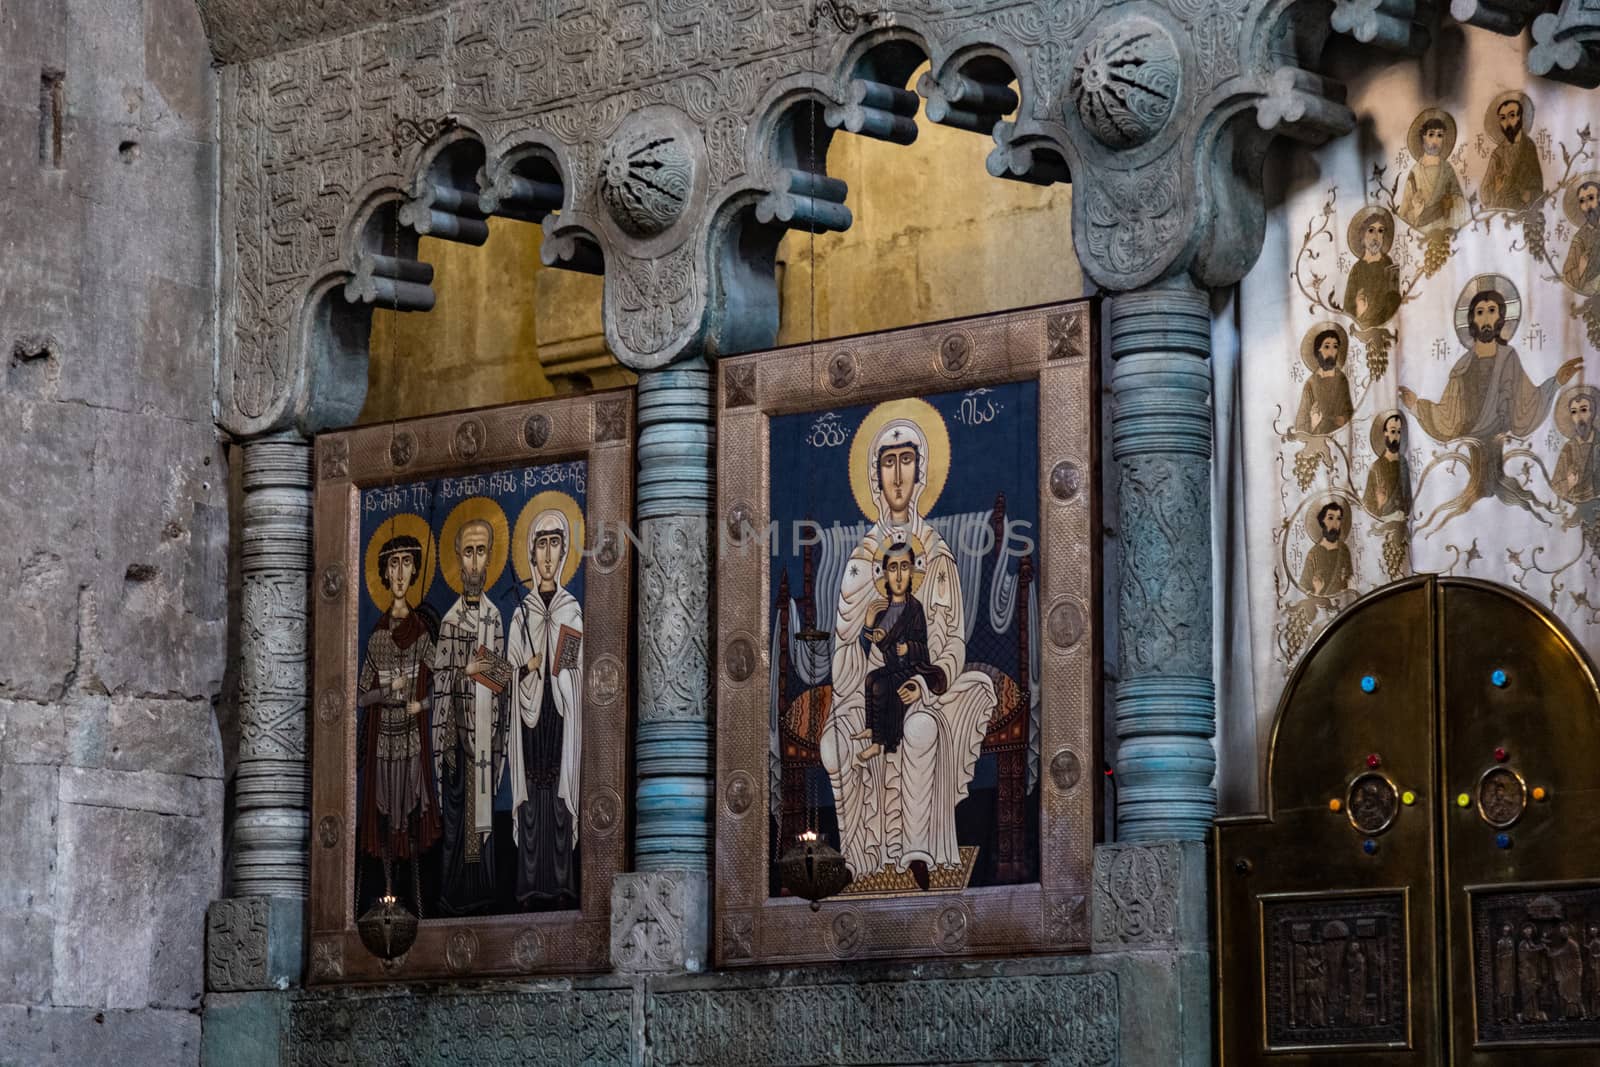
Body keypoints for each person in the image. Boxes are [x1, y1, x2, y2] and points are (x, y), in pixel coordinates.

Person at [822, 411, 997, 883]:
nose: (897, 474)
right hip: (868, 690)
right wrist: (857, 673)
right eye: (887, 463)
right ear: (875, 476)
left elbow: (952, 642)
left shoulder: (936, 557)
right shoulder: (862, 562)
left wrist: (924, 683)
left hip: (925, 688)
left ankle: (917, 855)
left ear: (921, 473)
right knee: (833, 743)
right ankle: (861, 860)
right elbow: (845, 646)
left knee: (920, 728)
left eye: (906, 461)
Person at [1401, 283, 1582, 525]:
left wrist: (1556, 382)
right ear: (1472, 320)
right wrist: (1415, 407)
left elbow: (1526, 404)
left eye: (1492, 310)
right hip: (1472, 446)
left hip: (1499, 443)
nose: (1486, 318)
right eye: (1480, 312)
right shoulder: (1462, 366)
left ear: (1501, 317)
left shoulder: (1509, 359)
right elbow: (1448, 415)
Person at [430, 515, 509, 915]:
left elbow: (503, 681)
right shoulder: (449, 623)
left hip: (484, 735)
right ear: (458, 560)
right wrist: (465, 671)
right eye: (468, 553)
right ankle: (451, 894)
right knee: (456, 819)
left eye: (482, 553)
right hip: (455, 740)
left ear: (489, 558)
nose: (475, 562)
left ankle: (481, 893)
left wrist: (487, 671)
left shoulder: (494, 618)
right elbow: (441, 681)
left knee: (483, 820)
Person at [355, 533, 439, 911]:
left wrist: (421, 704)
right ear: (384, 574)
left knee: (410, 824)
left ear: (416, 570)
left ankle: (418, 904)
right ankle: (385, 899)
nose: (401, 571)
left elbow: (444, 686)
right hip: (383, 741)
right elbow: (359, 696)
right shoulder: (375, 639)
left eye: (407, 562)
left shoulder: (422, 634)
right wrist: (388, 690)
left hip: (411, 740)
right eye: (393, 563)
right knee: (387, 824)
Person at [506, 509, 584, 908]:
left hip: (560, 716)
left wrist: (557, 666)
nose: (549, 554)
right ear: (532, 554)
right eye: (542, 544)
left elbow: (571, 668)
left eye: (556, 543)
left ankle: (562, 885)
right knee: (532, 800)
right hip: (528, 721)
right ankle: (529, 885)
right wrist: (526, 668)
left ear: (565, 550)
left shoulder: (571, 610)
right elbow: (502, 678)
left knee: (557, 799)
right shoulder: (522, 616)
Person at [853, 539, 946, 767]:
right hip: (894, 667)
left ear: (912, 571)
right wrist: (873, 632)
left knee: (881, 686)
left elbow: (923, 648)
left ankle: (879, 743)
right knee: (871, 678)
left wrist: (909, 648)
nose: (898, 575)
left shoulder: (915, 609)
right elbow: (880, 643)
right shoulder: (883, 610)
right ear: (885, 573)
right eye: (893, 568)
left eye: (904, 567)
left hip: (911, 669)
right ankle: (870, 727)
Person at [1399, 112, 1467, 231]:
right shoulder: (1414, 173)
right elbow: (1404, 216)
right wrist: (1416, 210)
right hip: (1421, 234)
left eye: (1440, 135)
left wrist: (1451, 202)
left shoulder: (1447, 170)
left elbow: (1460, 201)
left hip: (1444, 231)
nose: (1435, 140)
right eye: (1431, 135)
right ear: (1423, 137)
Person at [1481, 96, 1544, 211]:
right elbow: (1484, 194)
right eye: (1503, 118)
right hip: (1501, 211)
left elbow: (1538, 189)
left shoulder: (1529, 148)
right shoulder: (1498, 154)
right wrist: (1496, 188)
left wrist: (1529, 195)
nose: (1507, 122)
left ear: (1520, 117)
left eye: (1511, 116)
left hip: (1523, 212)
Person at [1343, 209, 1402, 328]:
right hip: (1362, 328)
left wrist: (1367, 315)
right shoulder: (1357, 269)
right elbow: (1348, 309)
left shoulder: (1388, 264)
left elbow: (1394, 301)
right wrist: (1359, 311)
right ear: (1362, 235)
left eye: (1380, 231)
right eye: (1371, 230)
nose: (1376, 237)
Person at [1294, 328, 1354, 436]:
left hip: (1340, 436)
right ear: (1318, 351)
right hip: (1318, 437)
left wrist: (1343, 419)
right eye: (1326, 346)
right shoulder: (1311, 383)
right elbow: (1300, 424)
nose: (1331, 351)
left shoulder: (1341, 379)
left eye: (1335, 346)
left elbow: (1349, 412)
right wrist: (1313, 423)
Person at [1300, 501, 1353, 597]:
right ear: (1322, 521)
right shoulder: (1314, 553)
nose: (1335, 523)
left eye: (1338, 519)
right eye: (1330, 518)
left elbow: (1350, 581)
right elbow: (1304, 589)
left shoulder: (1344, 550)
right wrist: (1317, 591)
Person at [1562, 181, 1600, 295]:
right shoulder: (1580, 238)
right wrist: (1581, 268)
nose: (1587, 205)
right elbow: (1567, 277)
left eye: (1591, 198)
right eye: (1582, 201)